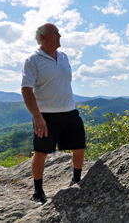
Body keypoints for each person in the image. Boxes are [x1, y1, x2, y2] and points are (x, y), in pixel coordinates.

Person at [21, 23, 86, 205]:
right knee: (41, 153)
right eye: (55, 33)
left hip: (69, 110)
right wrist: (37, 116)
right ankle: (38, 190)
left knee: (79, 147)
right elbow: (26, 90)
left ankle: (76, 180)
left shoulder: (63, 57)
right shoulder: (33, 60)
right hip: (47, 115)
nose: (60, 35)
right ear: (43, 38)